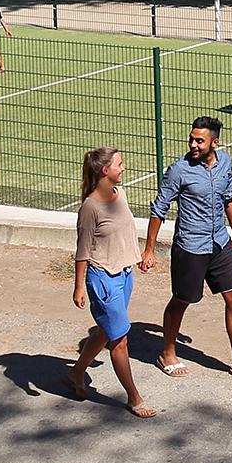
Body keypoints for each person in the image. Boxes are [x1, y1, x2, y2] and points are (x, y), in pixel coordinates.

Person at [141, 116, 232, 380]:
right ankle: (167, 353)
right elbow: (159, 209)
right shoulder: (179, 170)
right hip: (191, 247)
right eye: (192, 139)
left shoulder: (226, 163)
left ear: (214, 142)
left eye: (200, 140)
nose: (193, 145)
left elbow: (229, 198)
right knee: (182, 300)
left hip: (219, 243)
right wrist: (149, 249)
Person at [67, 147, 157, 418]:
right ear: (105, 171)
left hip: (125, 276)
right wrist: (79, 286)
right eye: (119, 164)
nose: (124, 168)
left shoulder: (121, 195)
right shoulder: (90, 208)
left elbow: (123, 232)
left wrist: (141, 256)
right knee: (119, 340)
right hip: (102, 279)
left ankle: (76, 372)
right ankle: (134, 397)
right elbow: (83, 249)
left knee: (106, 332)